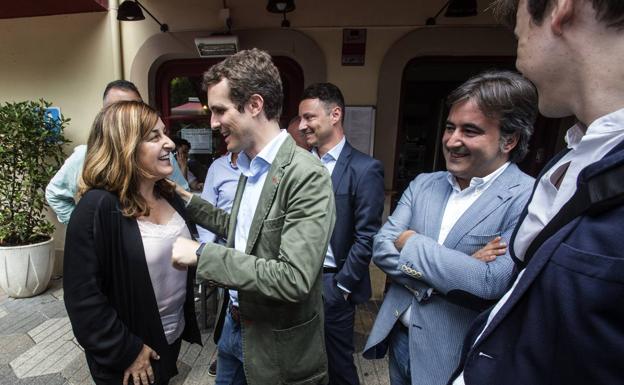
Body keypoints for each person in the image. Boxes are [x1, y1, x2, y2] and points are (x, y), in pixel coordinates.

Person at [450, 1, 624, 384]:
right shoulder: (570, 160)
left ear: (561, 8)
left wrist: (415, 245)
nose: (519, 60)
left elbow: (493, 281)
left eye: (519, 35)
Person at [170, 48, 335, 385]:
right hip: (233, 329)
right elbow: (246, 232)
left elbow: (293, 278)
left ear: (255, 105)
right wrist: (186, 199)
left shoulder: (306, 174)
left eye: (220, 111)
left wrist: (203, 254)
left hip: (277, 345)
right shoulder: (249, 165)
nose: (213, 123)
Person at [363, 70, 538, 385]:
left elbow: (490, 283)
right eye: (449, 127)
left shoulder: (527, 197)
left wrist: (411, 241)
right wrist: (460, 266)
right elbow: (381, 248)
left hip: (453, 354)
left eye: (470, 131)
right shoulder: (424, 184)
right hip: (398, 339)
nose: (452, 140)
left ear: (509, 140)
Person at [63, 101, 201, 385]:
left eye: (165, 133)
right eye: (154, 137)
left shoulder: (168, 195)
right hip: (131, 355)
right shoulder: (96, 207)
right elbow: (83, 300)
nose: (169, 143)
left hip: (169, 337)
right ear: (124, 145)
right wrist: (127, 351)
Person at [298, 82, 384, 385]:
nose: (301, 125)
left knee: (338, 367)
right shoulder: (300, 165)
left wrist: (342, 287)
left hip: (333, 284)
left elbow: (367, 236)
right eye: (300, 119)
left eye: (309, 117)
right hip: (296, 282)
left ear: (335, 114)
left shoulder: (365, 168)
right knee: (302, 363)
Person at [45, 80, 189, 224]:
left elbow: (182, 195)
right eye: (119, 108)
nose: (128, 115)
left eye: (135, 107)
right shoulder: (85, 156)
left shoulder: (162, 155)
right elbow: (55, 194)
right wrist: (82, 227)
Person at [196, 151, 241, 377]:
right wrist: (207, 250)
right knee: (228, 304)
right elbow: (207, 208)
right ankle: (224, 350)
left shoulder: (264, 164)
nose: (217, 124)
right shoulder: (218, 167)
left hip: (253, 255)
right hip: (223, 249)